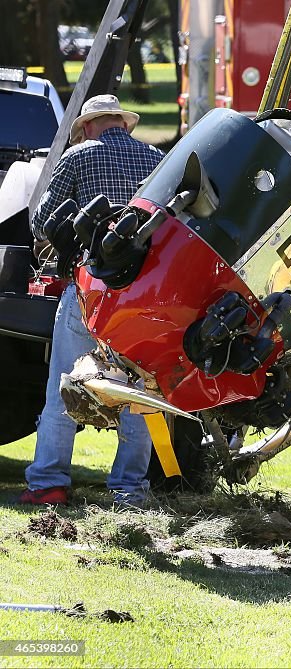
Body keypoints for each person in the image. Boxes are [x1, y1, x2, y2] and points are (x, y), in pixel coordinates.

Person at [18, 94, 164, 507]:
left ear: (87, 126)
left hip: (90, 292)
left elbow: (43, 220)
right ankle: (129, 490)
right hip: (144, 297)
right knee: (139, 396)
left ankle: (49, 483)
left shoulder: (79, 155)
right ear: (121, 123)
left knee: (65, 386)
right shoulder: (155, 157)